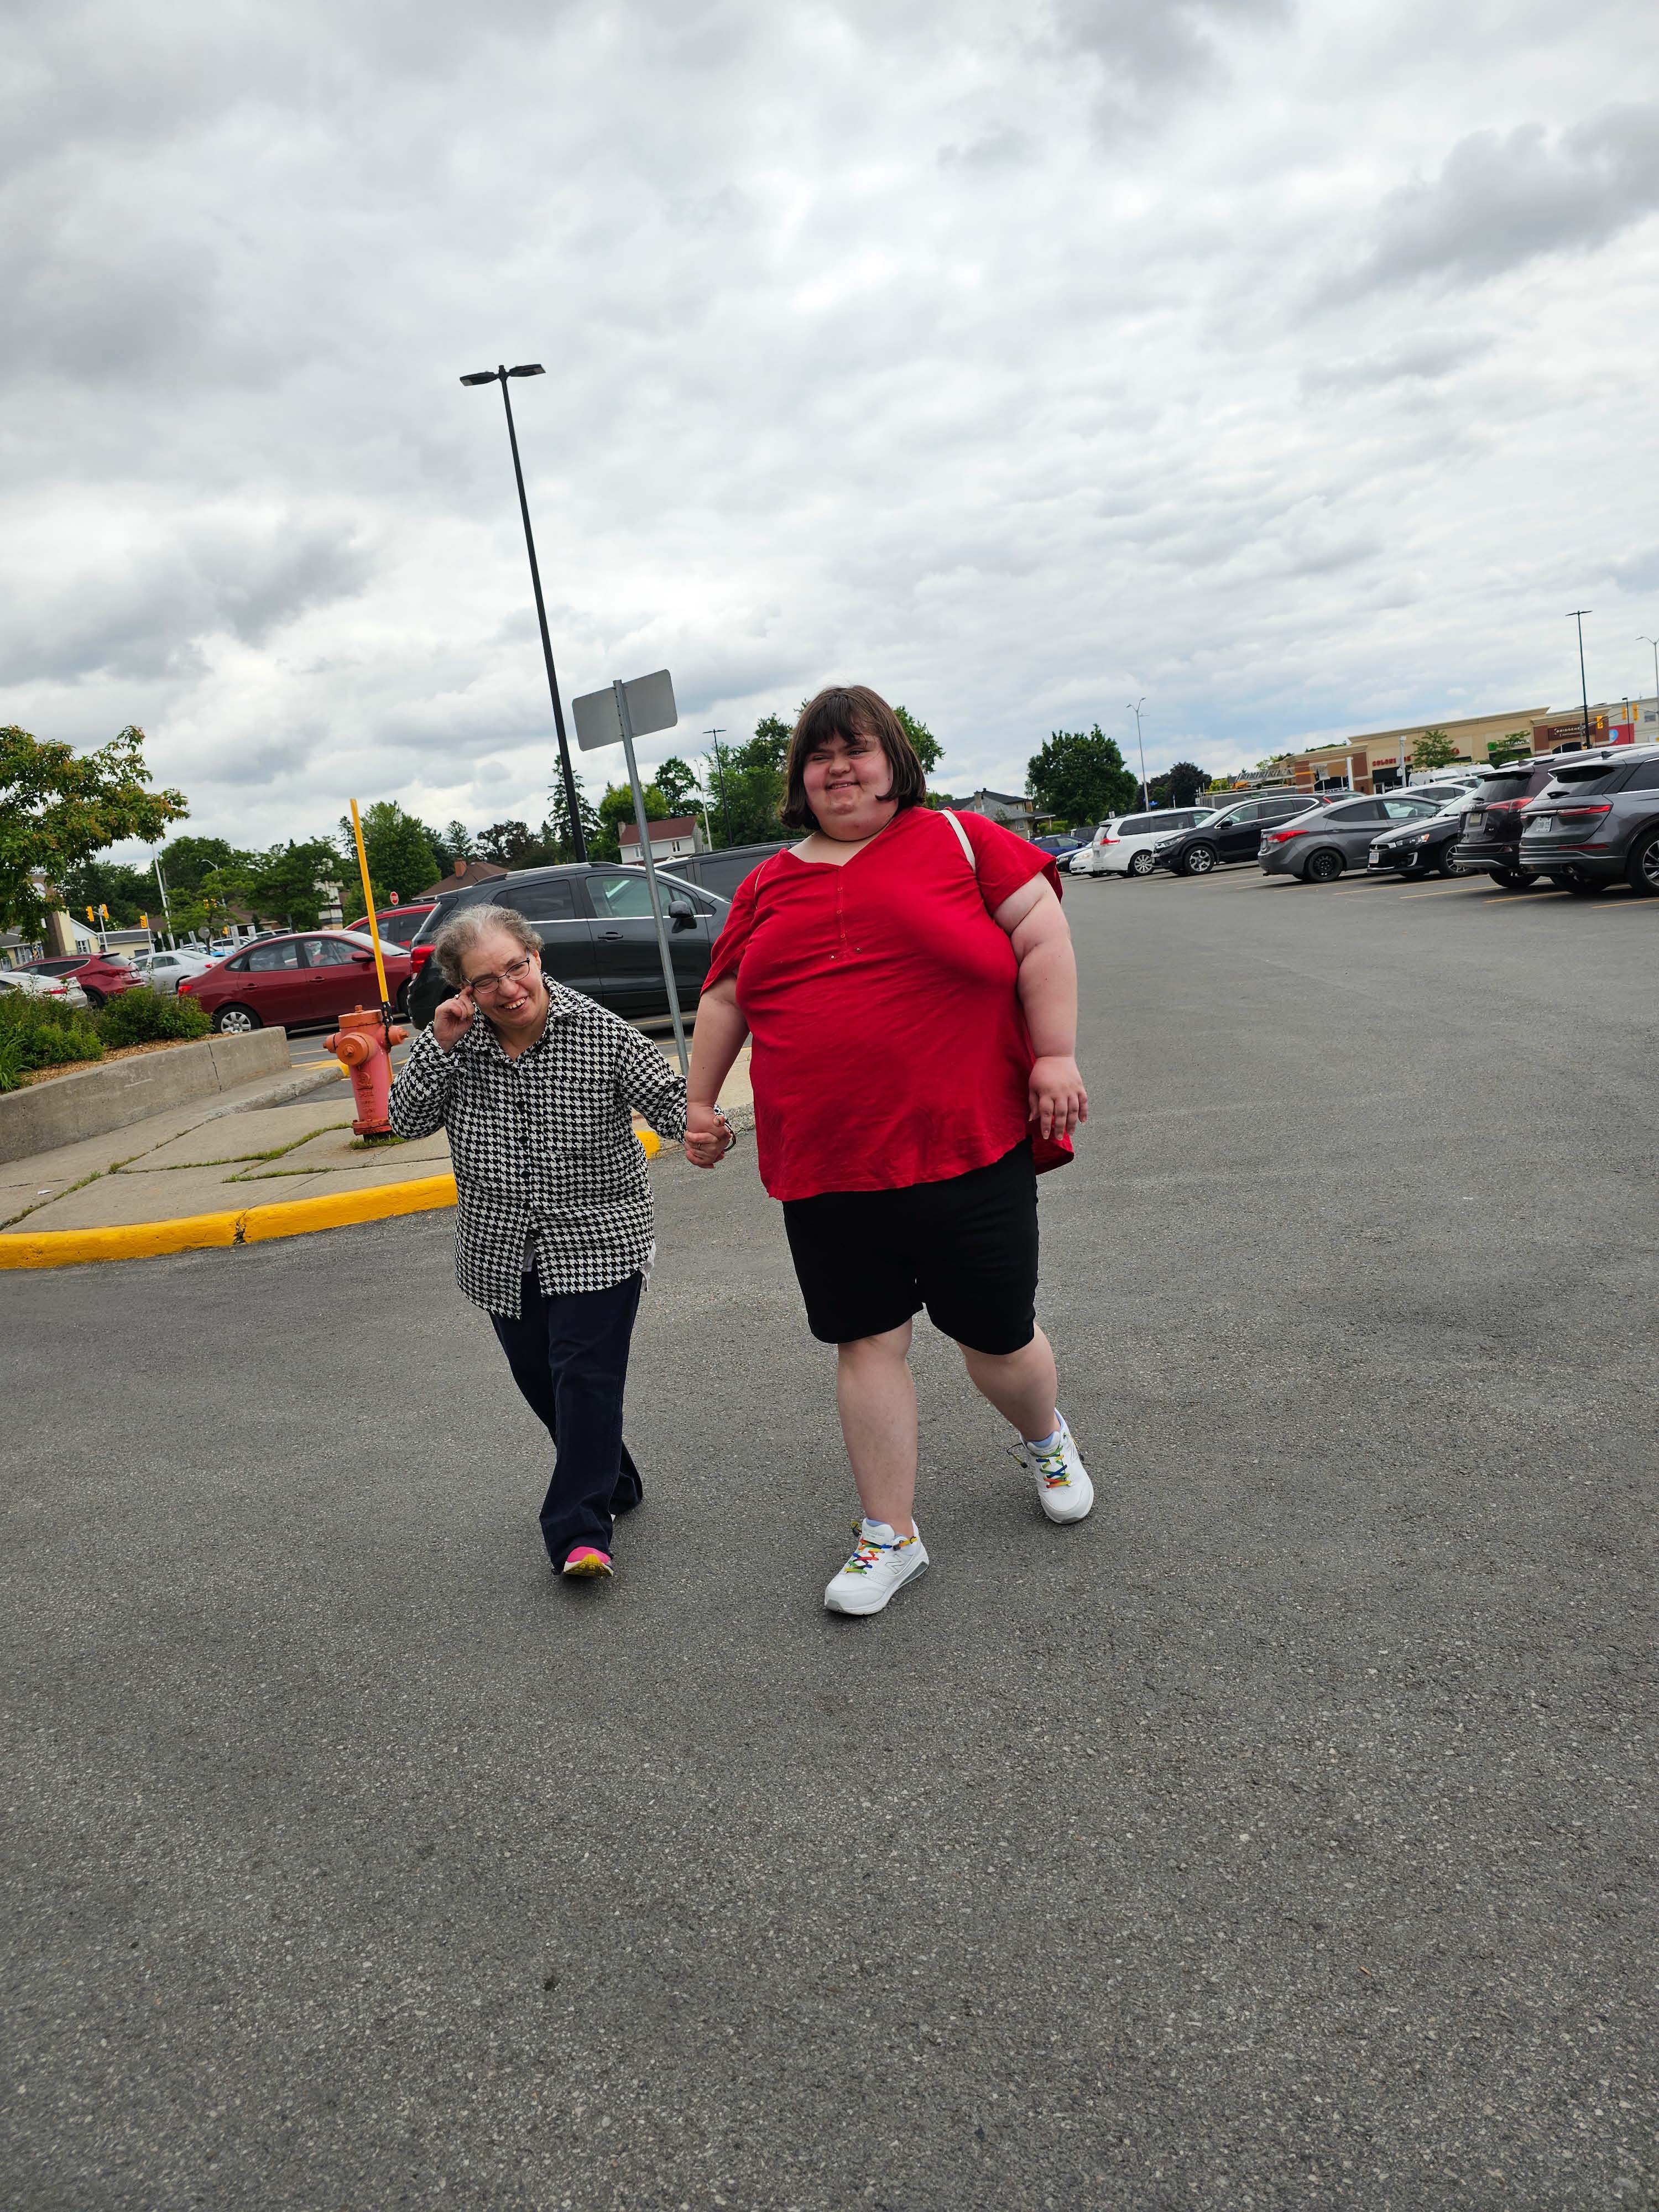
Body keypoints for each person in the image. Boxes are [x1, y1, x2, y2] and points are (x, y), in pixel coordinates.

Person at [682, 685, 1091, 1616]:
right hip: (827, 1164)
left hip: (967, 1145)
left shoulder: (962, 841)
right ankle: (890, 1536)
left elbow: (1043, 937)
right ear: (800, 779)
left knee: (996, 1338)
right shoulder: (766, 885)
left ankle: (1045, 1438)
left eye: (856, 750)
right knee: (867, 1340)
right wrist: (700, 1103)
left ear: (893, 761)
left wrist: (1056, 1054)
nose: (838, 770)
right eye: (819, 757)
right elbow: (726, 996)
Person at [389, 904, 731, 1582]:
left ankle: (579, 1530)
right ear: (464, 988)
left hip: (598, 1238)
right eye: (487, 980)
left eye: (515, 967)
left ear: (536, 957)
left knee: (584, 1377)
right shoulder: (458, 1041)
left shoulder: (601, 1032)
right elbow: (406, 1120)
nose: (508, 988)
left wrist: (704, 1129)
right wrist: (438, 1043)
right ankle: (615, 1479)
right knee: (544, 1383)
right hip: (500, 1248)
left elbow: (670, 1099)